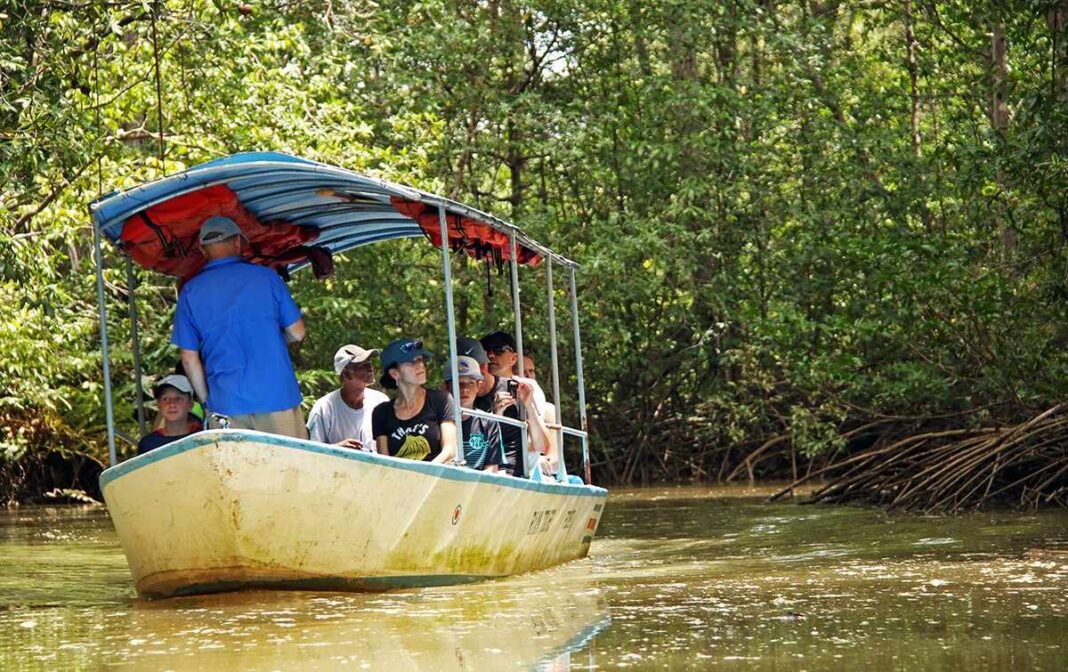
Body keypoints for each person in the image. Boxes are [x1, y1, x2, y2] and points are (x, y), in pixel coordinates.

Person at [172, 216, 308, 438]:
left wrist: (208, 401)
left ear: (203, 250)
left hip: (225, 402)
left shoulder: (190, 292)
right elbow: (297, 332)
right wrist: (273, 341)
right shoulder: (267, 278)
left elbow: (188, 357)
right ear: (237, 243)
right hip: (277, 396)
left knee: (236, 472)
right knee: (286, 469)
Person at [479, 331, 556, 478]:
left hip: (522, 471)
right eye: (486, 351)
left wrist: (528, 405)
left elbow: (538, 443)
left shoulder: (525, 387)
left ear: (513, 358)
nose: (491, 355)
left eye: (499, 350)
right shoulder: (473, 389)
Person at [371, 338, 457, 463]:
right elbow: (385, 462)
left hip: (436, 477)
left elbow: (450, 451)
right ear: (395, 373)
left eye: (420, 360)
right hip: (398, 479)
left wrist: (425, 473)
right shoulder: (381, 412)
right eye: (411, 362)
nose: (420, 365)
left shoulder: (441, 399)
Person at [307, 344, 388, 450]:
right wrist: (337, 449)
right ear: (346, 374)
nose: (370, 368)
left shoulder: (380, 401)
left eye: (370, 363)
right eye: (363, 365)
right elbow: (312, 451)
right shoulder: (324, 408)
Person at [445, 356, 505, 472]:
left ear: (479, 385)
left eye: (471, 383)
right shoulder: (439, 422)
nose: (465, 389)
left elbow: (492, 467)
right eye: (458, 383)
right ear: (446, 387)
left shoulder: (489, 421)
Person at [138, 375, 203, 454]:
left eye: (179, 398)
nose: (171, 404)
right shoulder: (148, 444)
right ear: (158, 405)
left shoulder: (203, 437)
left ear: (190, 404)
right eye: (165, 399)